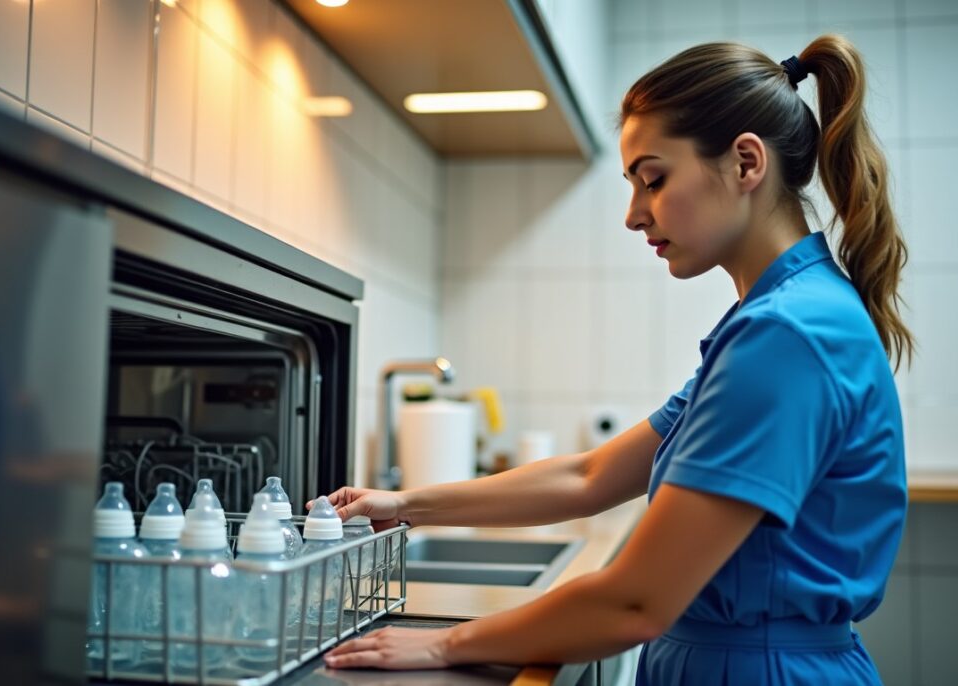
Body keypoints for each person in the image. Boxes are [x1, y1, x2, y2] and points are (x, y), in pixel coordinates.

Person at [321, 34, 911, 684]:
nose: (634, 216)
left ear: (747, 163)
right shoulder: (781, 317)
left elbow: (635, 602)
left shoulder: (786, 335)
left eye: (653, 180)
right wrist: (406, 504)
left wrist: (445, 644)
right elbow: (591, 475)